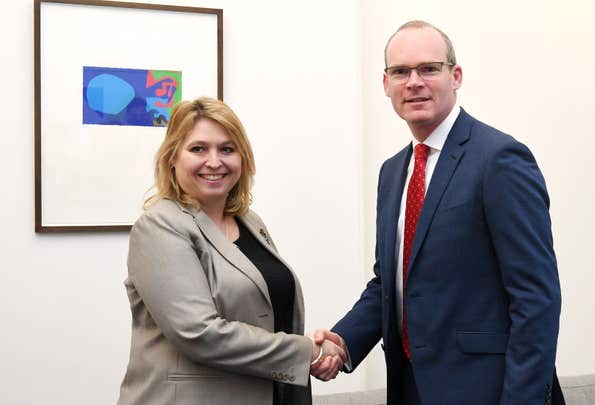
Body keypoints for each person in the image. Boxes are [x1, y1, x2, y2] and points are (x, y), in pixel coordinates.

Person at [312, 21, 565, 404]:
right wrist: (343, 341)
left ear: (456, 76)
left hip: (490, 392)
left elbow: (536, 298)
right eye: (400, 72)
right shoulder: (393, 171)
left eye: (429, 68)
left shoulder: (499, 159)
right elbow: (390, 283)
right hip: (411, 388)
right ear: (385, 85)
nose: (414, 82)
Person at [117, 97, 345, 405]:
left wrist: (317, 350)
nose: (214, 161)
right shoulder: (159, 226)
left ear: (242, 158)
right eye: (198, 149)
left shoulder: (251, 222)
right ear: (172, 157)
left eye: (227, 149)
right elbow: (199, 333)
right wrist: (309, 352)